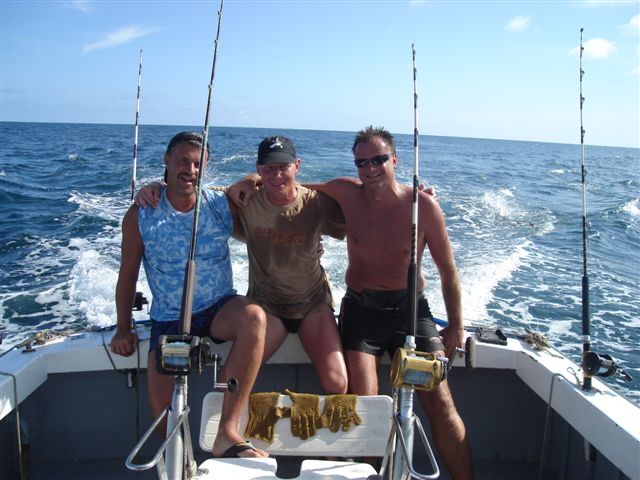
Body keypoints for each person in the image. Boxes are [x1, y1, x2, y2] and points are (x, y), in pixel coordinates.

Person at [231, 126, 474, 479]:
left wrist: (456, 326)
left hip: (411, 311)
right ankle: (367, 473)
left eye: (378, 160)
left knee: (440, 401)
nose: (370, 169)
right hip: (362, 311)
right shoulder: (345, 192)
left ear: (395, 160)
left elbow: (448, 272)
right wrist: (251, 178)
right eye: (362, 162)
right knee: (364, 402)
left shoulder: (423, 207)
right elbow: (288, 186)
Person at [135, 135, 349, 395]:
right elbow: (191, 190)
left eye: (284, 167)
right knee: (230, 383)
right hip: (268, 307)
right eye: (268, 168)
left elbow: (357, 210)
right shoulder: (245, 200)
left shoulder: (316, 203)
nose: (277, 175)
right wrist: (157, 186)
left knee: (338, 383)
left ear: (297, 166)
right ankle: (230, 420)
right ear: (258, 168)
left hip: (312, 305)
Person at [111, 131, 269, 459]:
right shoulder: (141, 213)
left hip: (218, 308)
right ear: (167, 161)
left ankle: (227, 431)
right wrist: (123, 329)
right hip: (169, 317)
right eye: (183, 161)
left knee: (254, 317)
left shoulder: (220, 204)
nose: (191, 170)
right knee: (162, 418)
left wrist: (254, 178)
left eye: (198, 164)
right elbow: (127, 276)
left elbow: (274, 195)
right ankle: (183, 462)